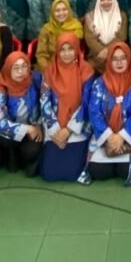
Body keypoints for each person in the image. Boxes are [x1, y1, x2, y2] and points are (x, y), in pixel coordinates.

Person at [85, 43, 131, 185]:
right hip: (105, 135)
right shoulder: (99, 84)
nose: (119, 62)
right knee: (97, 171)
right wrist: (110, 136)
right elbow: (94, 112)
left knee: (125, 171)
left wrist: (122, 136)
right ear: (109, 61)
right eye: (115, 59)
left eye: (123, 58)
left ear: (129, 59)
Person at [39, 33, 94, 183]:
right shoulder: (50, 71)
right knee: (50, 174)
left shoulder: (86, 70)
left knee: (72, 173)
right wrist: (56, 130)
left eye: (70, 49)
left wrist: (68, 130)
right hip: (54, 128)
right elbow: (44, 101)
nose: (67, 53)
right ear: (57, 51)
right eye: (62, 49)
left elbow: (87, 103)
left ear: (77, 49)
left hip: (77, 127)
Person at [0, 50, 43, 174]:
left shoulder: (35, 79)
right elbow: (0, 124)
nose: (21, 72)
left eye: (24, 66)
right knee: (6, 142)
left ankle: (25, 158)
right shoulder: (1, 89)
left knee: (32, 151)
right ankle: (12, 156)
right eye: (15, 68)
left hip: (31, 125)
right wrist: (28, 129)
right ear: (8, 69)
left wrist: (38, 125)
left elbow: (44, 102)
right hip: (11, 131)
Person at [84, 0, 129, 71]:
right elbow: (89, 38)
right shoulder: (90, 16)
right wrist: (101, 51)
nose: (106, 2)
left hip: (116, 55)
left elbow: (121, 37)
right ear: (98, 1)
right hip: (96, 56)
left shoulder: (122, 16)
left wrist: (107, 51)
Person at [35, 0, 85, 71]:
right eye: (57, 10)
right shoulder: (46, 29)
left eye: (64, 9)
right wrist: (50, 70)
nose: (61, 13)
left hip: (70, 67)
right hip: (50, 67)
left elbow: (75, 53)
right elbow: (41, 55)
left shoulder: (76, 28)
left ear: (69, 11)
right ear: (52, 12)